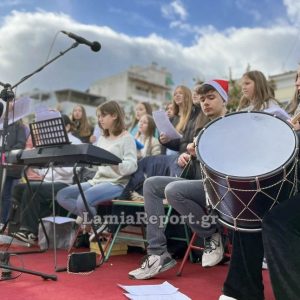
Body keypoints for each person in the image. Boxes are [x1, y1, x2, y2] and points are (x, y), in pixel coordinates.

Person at [128, 79, 229, 280]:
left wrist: (199, 151)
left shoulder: (229, 124)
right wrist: (188, 155)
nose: (205, 103)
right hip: (201, 182)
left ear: (224, 100)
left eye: (211, 97)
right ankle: (157, 254)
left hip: (222, 188)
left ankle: (210, 233)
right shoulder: (205, 126)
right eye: (202, 99)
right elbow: (198, 156)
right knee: (151, 184)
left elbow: (229, 160)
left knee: (173, 190)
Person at [219, 70, 286, 300]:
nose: (244, 87)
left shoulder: (274, 111)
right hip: (248, 177)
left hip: (270, 181)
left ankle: (241, 290)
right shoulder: (244, 112)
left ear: (258, 83)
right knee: (240, 214)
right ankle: (241, 289)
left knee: (247, 215)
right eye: (242, 84)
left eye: (247, 83)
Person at [57, 101, 137, 239]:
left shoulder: (127, 138)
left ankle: (91, 221)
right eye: (99, 116)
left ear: (114, 116)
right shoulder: (102, 138)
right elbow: (97, 164)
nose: (100, 120)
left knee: (83, 200)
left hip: (116, 183)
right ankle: (95, 221)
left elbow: (131, 166)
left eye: (103, 116)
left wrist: (113, 162)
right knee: (62, 195)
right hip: (97, 181)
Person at [261, 67, 300, 300]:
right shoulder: (293, 110)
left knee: (277, 222)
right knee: (261, 208)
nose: (298, 82)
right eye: (297, 78)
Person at [12, 114, 81, 244]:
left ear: (65, 127)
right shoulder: (51, 142)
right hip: (47, 181)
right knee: (18, 189)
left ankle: (29, 231)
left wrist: (53, 163)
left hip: (64, 183)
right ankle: (39, 220)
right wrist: (34, 164)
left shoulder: (75, 142)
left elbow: (71, 170)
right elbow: (45, 171)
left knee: (31, 189)